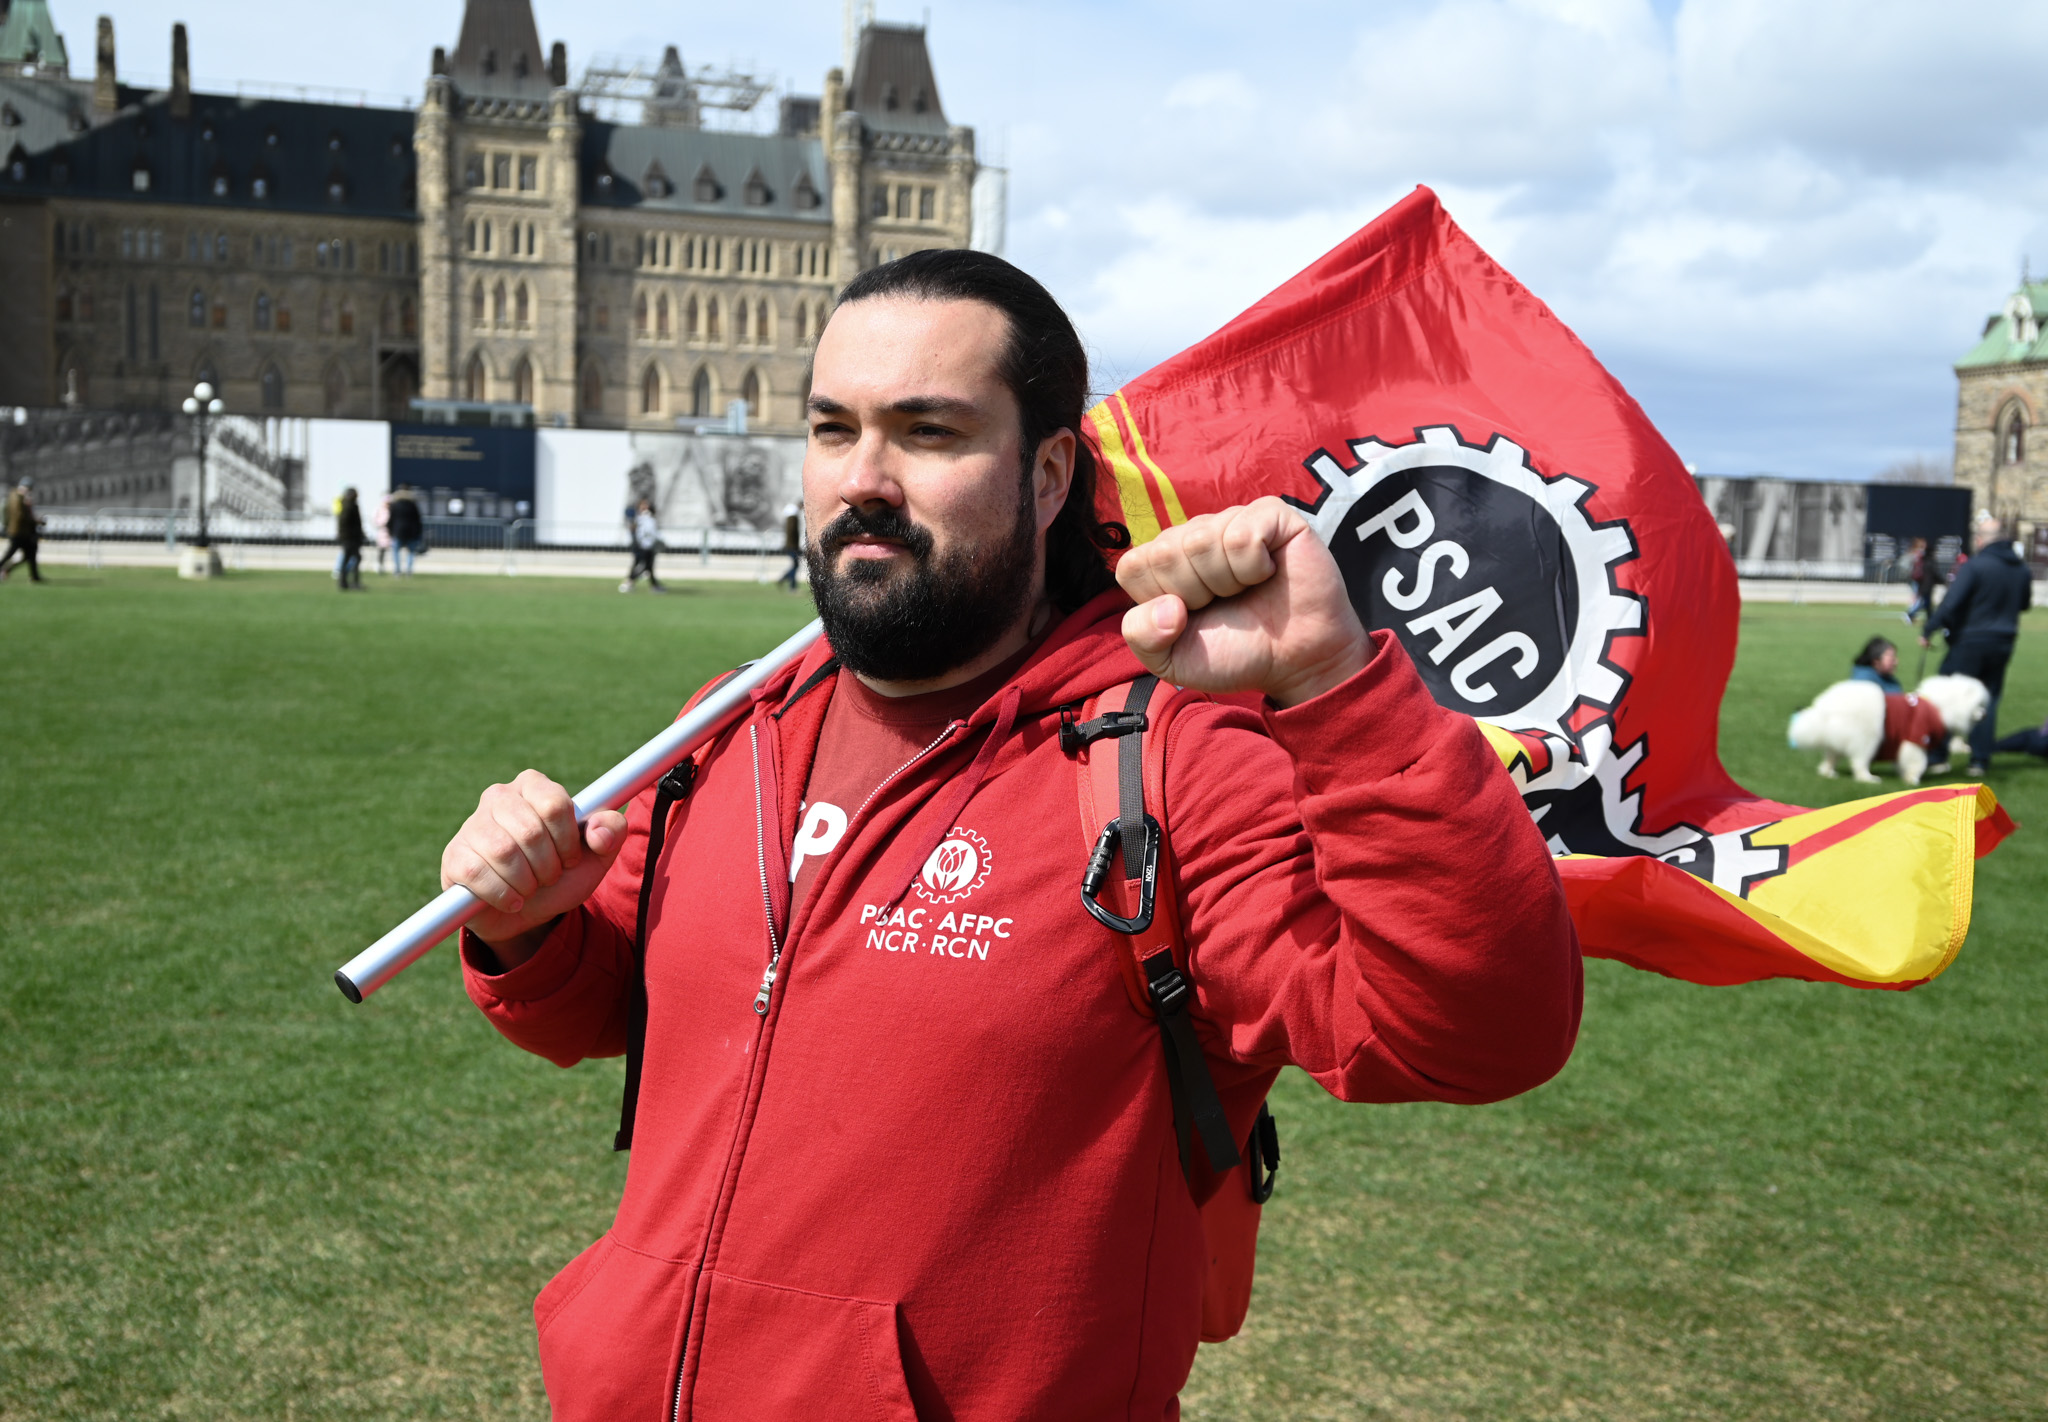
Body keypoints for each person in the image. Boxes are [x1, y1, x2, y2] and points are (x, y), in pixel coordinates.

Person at [439, 250, 1580, 1419]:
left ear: (1045, 474)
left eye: (927, 433)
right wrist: (529, 933)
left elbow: (1475, 1034)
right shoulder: (731, 724)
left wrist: (1338, 690)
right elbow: (615, 1008)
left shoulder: (1167, 761)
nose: (863, 479)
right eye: (833, 430)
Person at [1923, 513, 2033, 774]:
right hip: (2004, 640)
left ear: (1982, 539)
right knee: (1988, 699)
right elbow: (2025, 604)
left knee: (1950, 695)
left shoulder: (1976, 565)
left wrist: (1929, 628)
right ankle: (1980, 760)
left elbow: (1952, 602)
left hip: (1970, 640)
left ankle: (1938, 756)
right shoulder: (2022, 568)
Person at [0, 477, 43, 583]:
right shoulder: (18, 498)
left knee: (29, 554)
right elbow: (20, 515)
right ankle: (34, 576)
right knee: (13, 554)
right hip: (19, 532)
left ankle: (34, 576)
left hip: (21, 532)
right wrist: (35, 521)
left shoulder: (16, 497)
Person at [619, 497, 665, 593]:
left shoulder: (641, 519)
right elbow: (650, 533)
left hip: (644, 546)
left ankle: (654, 586)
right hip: (645, 546)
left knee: (648, 567)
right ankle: (628, 582)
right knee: (644, 566)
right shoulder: (646, 519)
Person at [1904, 536, 1942, 624]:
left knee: (1925, 602)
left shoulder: (1919, 555)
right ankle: (1910, 614)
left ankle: (1928, 618)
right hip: (1920, 581)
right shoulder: (1919, 555)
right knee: (1921, 601)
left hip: (1921, 581)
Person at [388, 485, 425, 576]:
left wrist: (390, 531)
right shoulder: (413, 505)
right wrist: (418, 533)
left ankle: (397, 570)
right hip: (411, 532)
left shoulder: (395, 505)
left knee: (396, 551)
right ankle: (409, 570)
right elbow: (418, 520)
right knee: (411, 552)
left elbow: (391, 519)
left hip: (398, 531)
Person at [335, 487, 365, 591]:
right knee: (353, 559)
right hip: (350, 538)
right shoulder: (349, 506)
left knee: (352, 559)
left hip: (351, 538)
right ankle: (349, 582)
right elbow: (346, 523)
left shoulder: (349, 505)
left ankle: (346, 582)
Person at [777, 500, 802, 590]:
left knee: (795, 565)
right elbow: (792, 533)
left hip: (791, 545)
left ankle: (785, 580)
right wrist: (795, 546)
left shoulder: (790, 518)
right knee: (795, 565)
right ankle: (791, 585)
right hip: (792, 546)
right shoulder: (793, 518)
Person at [373, 493, 393, 575]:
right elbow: (375, 519)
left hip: (390, 532)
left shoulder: (391, 510)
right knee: (381, 550)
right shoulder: (379, 509)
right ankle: (379, 565)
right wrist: (381, 523)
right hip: (382, 532)